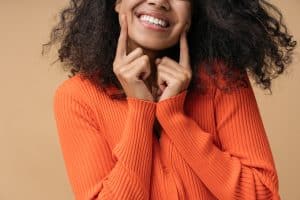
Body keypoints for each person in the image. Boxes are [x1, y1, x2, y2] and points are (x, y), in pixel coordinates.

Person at [43, 0, 297, 199]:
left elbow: (262, 195)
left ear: (192, 14)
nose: (159, 1)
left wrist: (174, 117)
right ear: (117, 2)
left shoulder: (223, 80)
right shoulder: (77, 97)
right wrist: (140, 111)